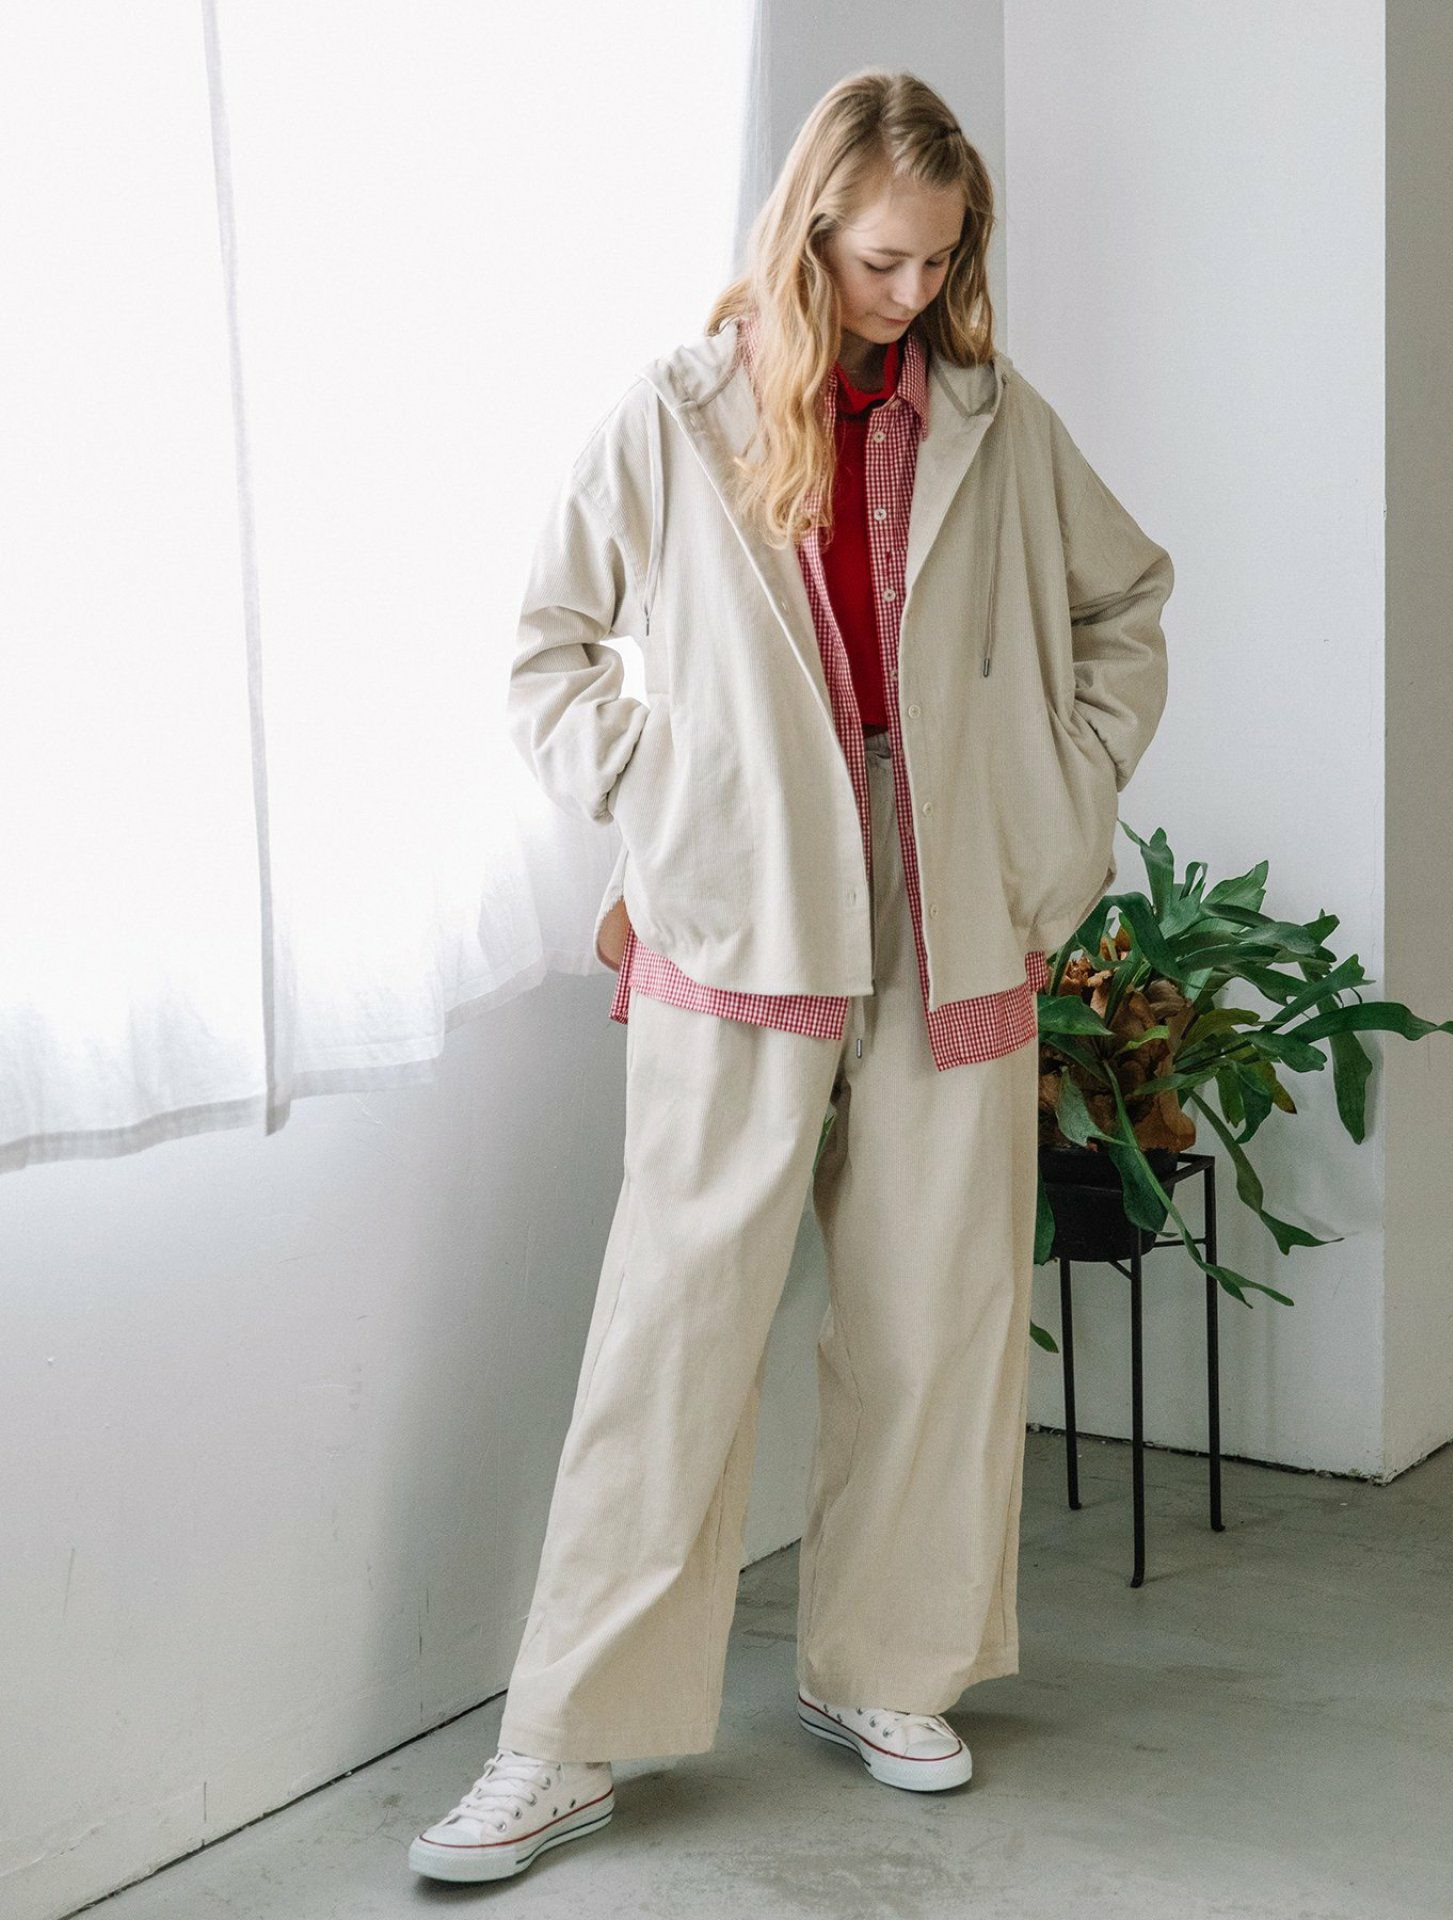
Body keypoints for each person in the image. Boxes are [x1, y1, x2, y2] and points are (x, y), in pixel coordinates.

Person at [409, 67, 1173, 1885]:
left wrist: (1058, 805)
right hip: (742, 902)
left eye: (942, 260)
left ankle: (887, 1673)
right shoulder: (675, 414)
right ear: (809, 228)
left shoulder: (992, 417)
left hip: (951, 894)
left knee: (935, 1312)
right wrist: (669, 801)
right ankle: (564, 1736)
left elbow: (1124, 604)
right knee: (674, 1325)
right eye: (883, 260)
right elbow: (548, 649)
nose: (913, 294)